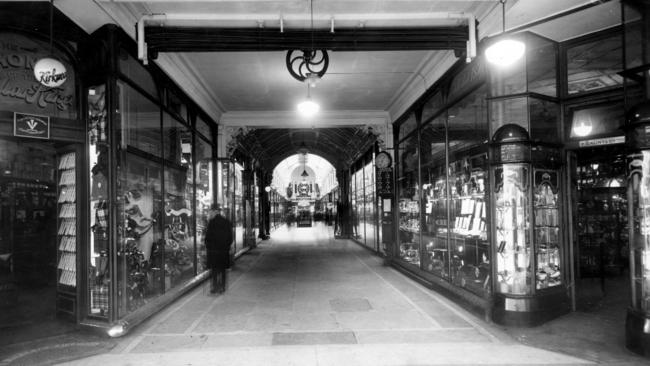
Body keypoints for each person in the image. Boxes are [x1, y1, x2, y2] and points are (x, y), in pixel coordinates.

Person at [205, 204, 233, 294]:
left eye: (211, 211)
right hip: (223, 250)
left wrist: (208, 247)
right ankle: (222, 287)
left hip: (213, 251)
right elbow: (230, 237)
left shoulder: (211, 222)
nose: (210, 213)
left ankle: (214, 287)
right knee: (222, 269)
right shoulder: (226, 222)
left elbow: (208, 237)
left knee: (214, 270)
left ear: (215, 211)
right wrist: (227, 247)